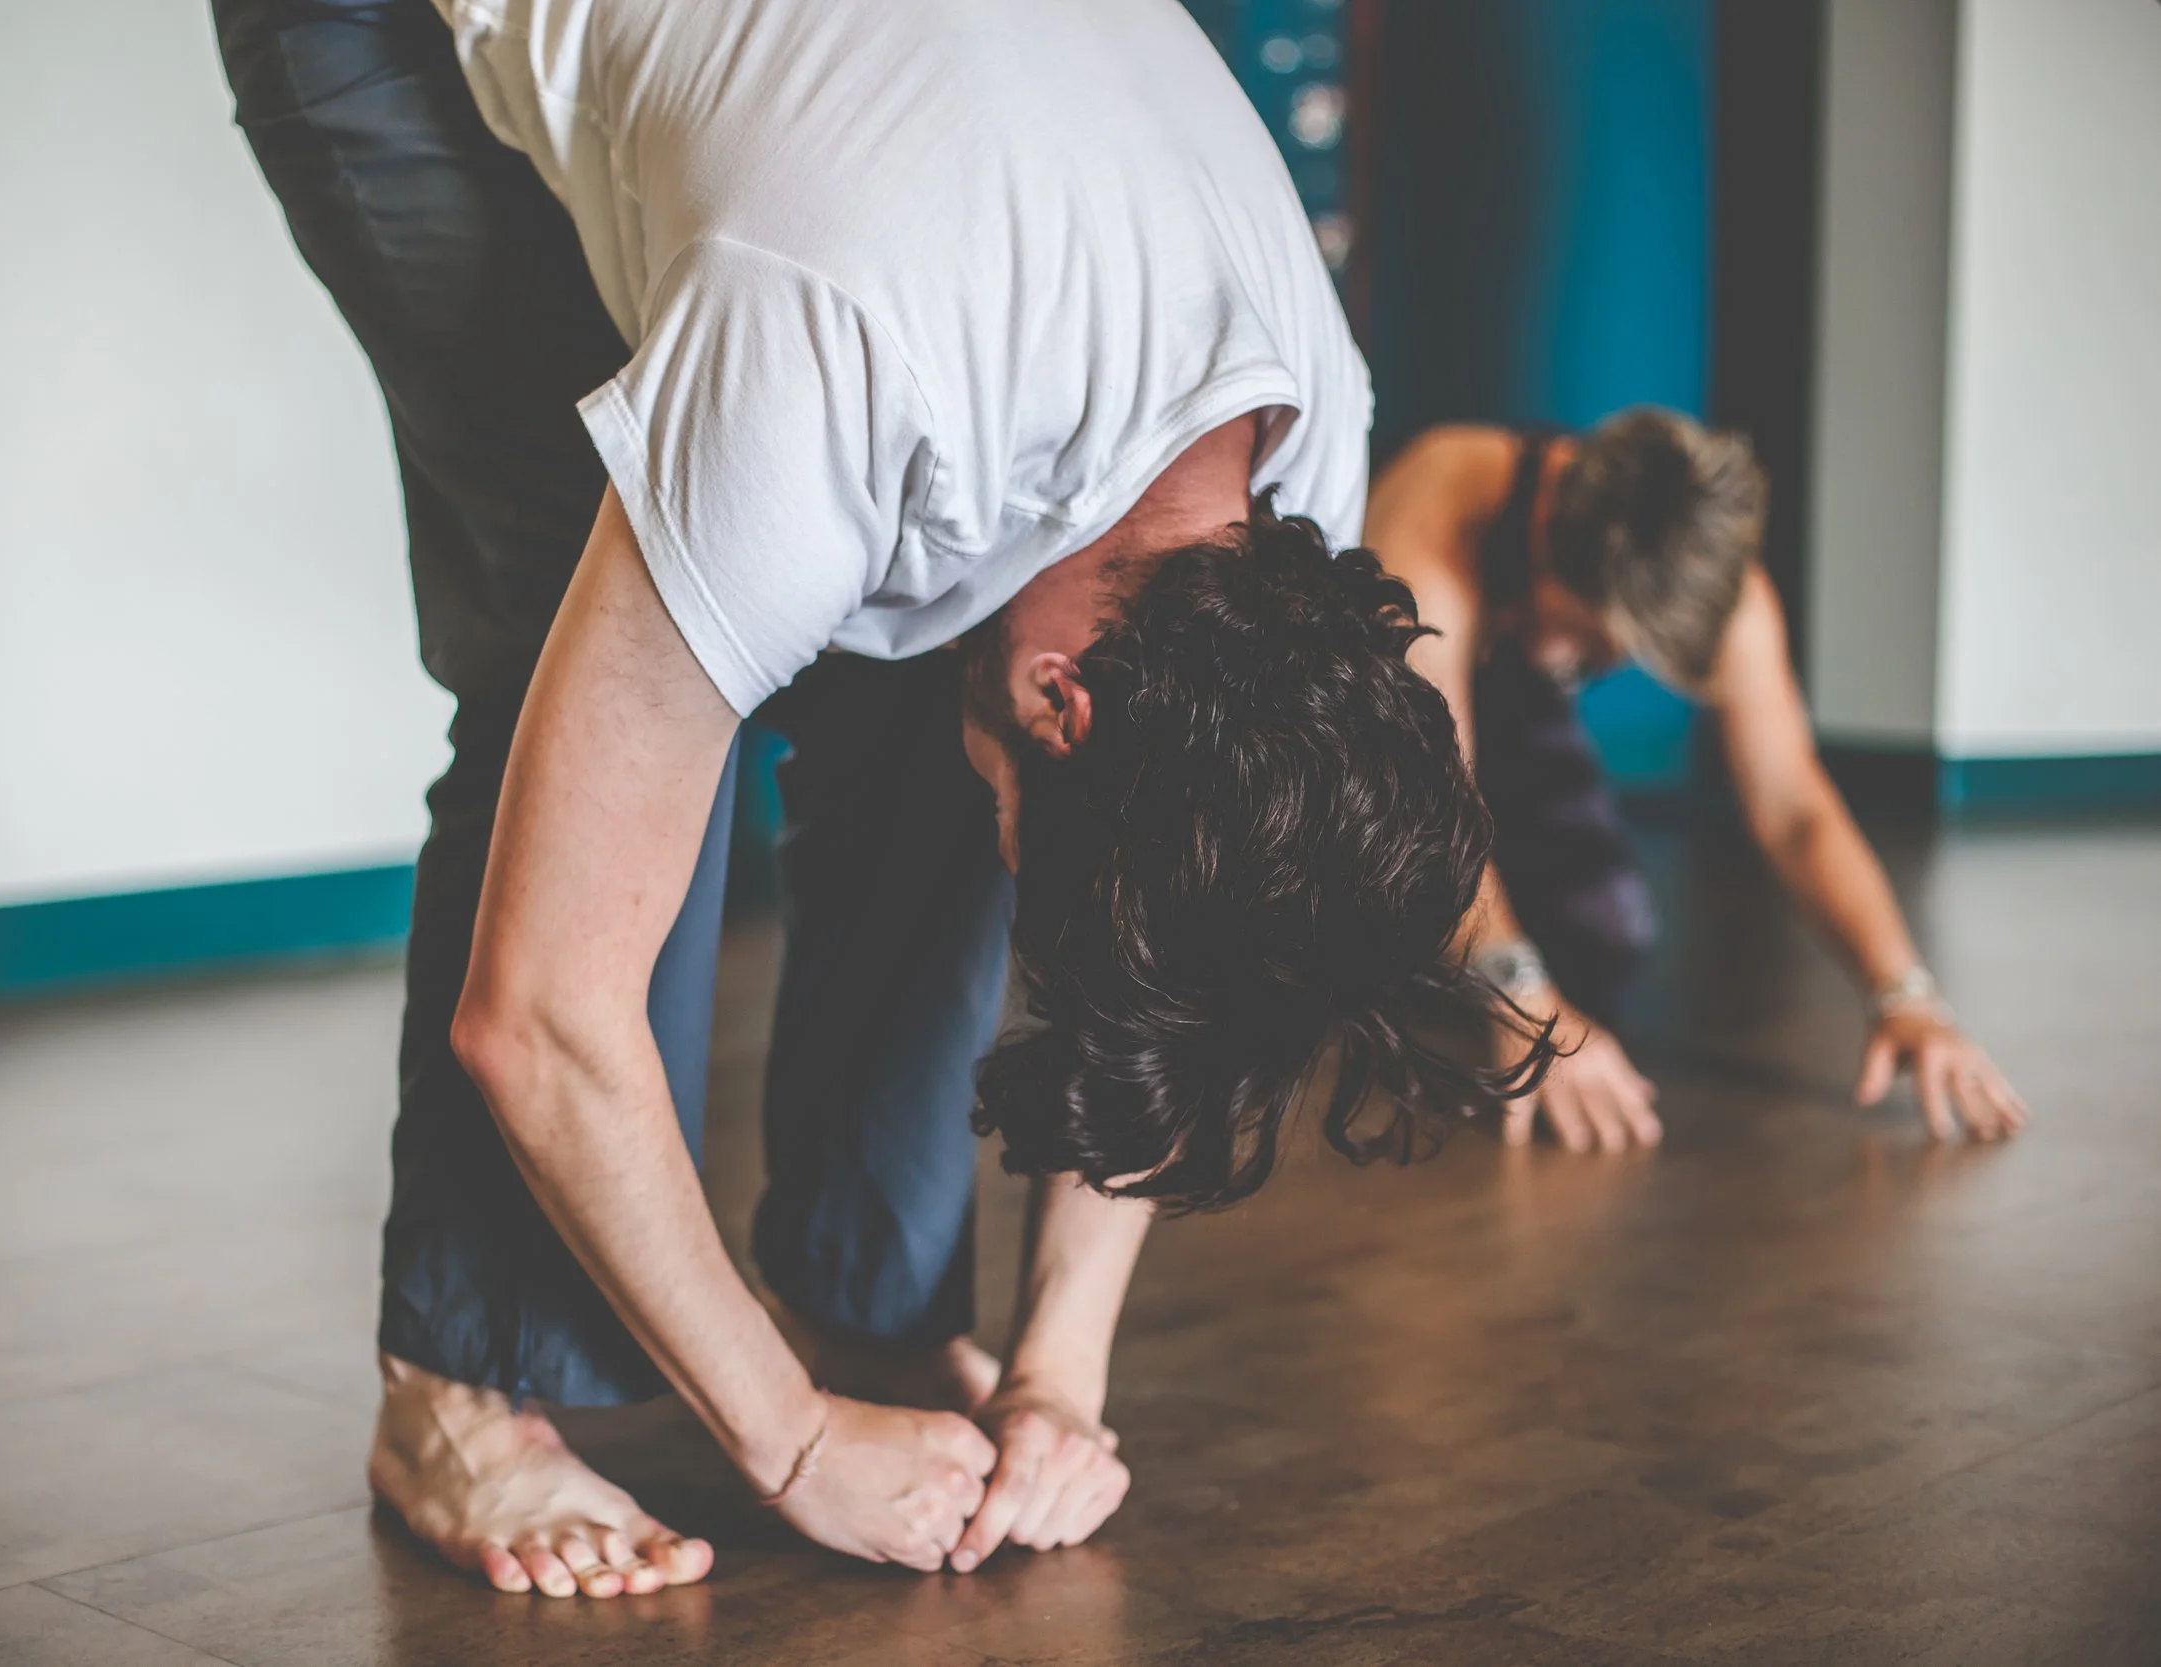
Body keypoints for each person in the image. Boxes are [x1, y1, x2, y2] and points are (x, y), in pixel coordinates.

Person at [215, 0, 1546, 1603]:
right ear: (1077, 701)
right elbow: (543, 1008)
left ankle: (865, 1297)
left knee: (942, 684)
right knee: (571, 694)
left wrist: (1066, 1366)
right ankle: (457, 1383)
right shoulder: (846, 346)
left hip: (878, 171)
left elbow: (1176, 969)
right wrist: (784, 1440)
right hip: (400, 37)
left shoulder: (1296, 471)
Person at [1364, 408, 2031, 1156]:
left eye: (1604, 652)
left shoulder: (1709, 574)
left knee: (1603, 939)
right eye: (1586, 636)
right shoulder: (1432, 526)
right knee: (1381, 931)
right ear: (1547, 529)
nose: (1585, 660)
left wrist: (1907, 994)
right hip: (1362, 732)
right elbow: (1426, 807)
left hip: (1511, 707)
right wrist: (1524, 1001)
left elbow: (1795, 808)